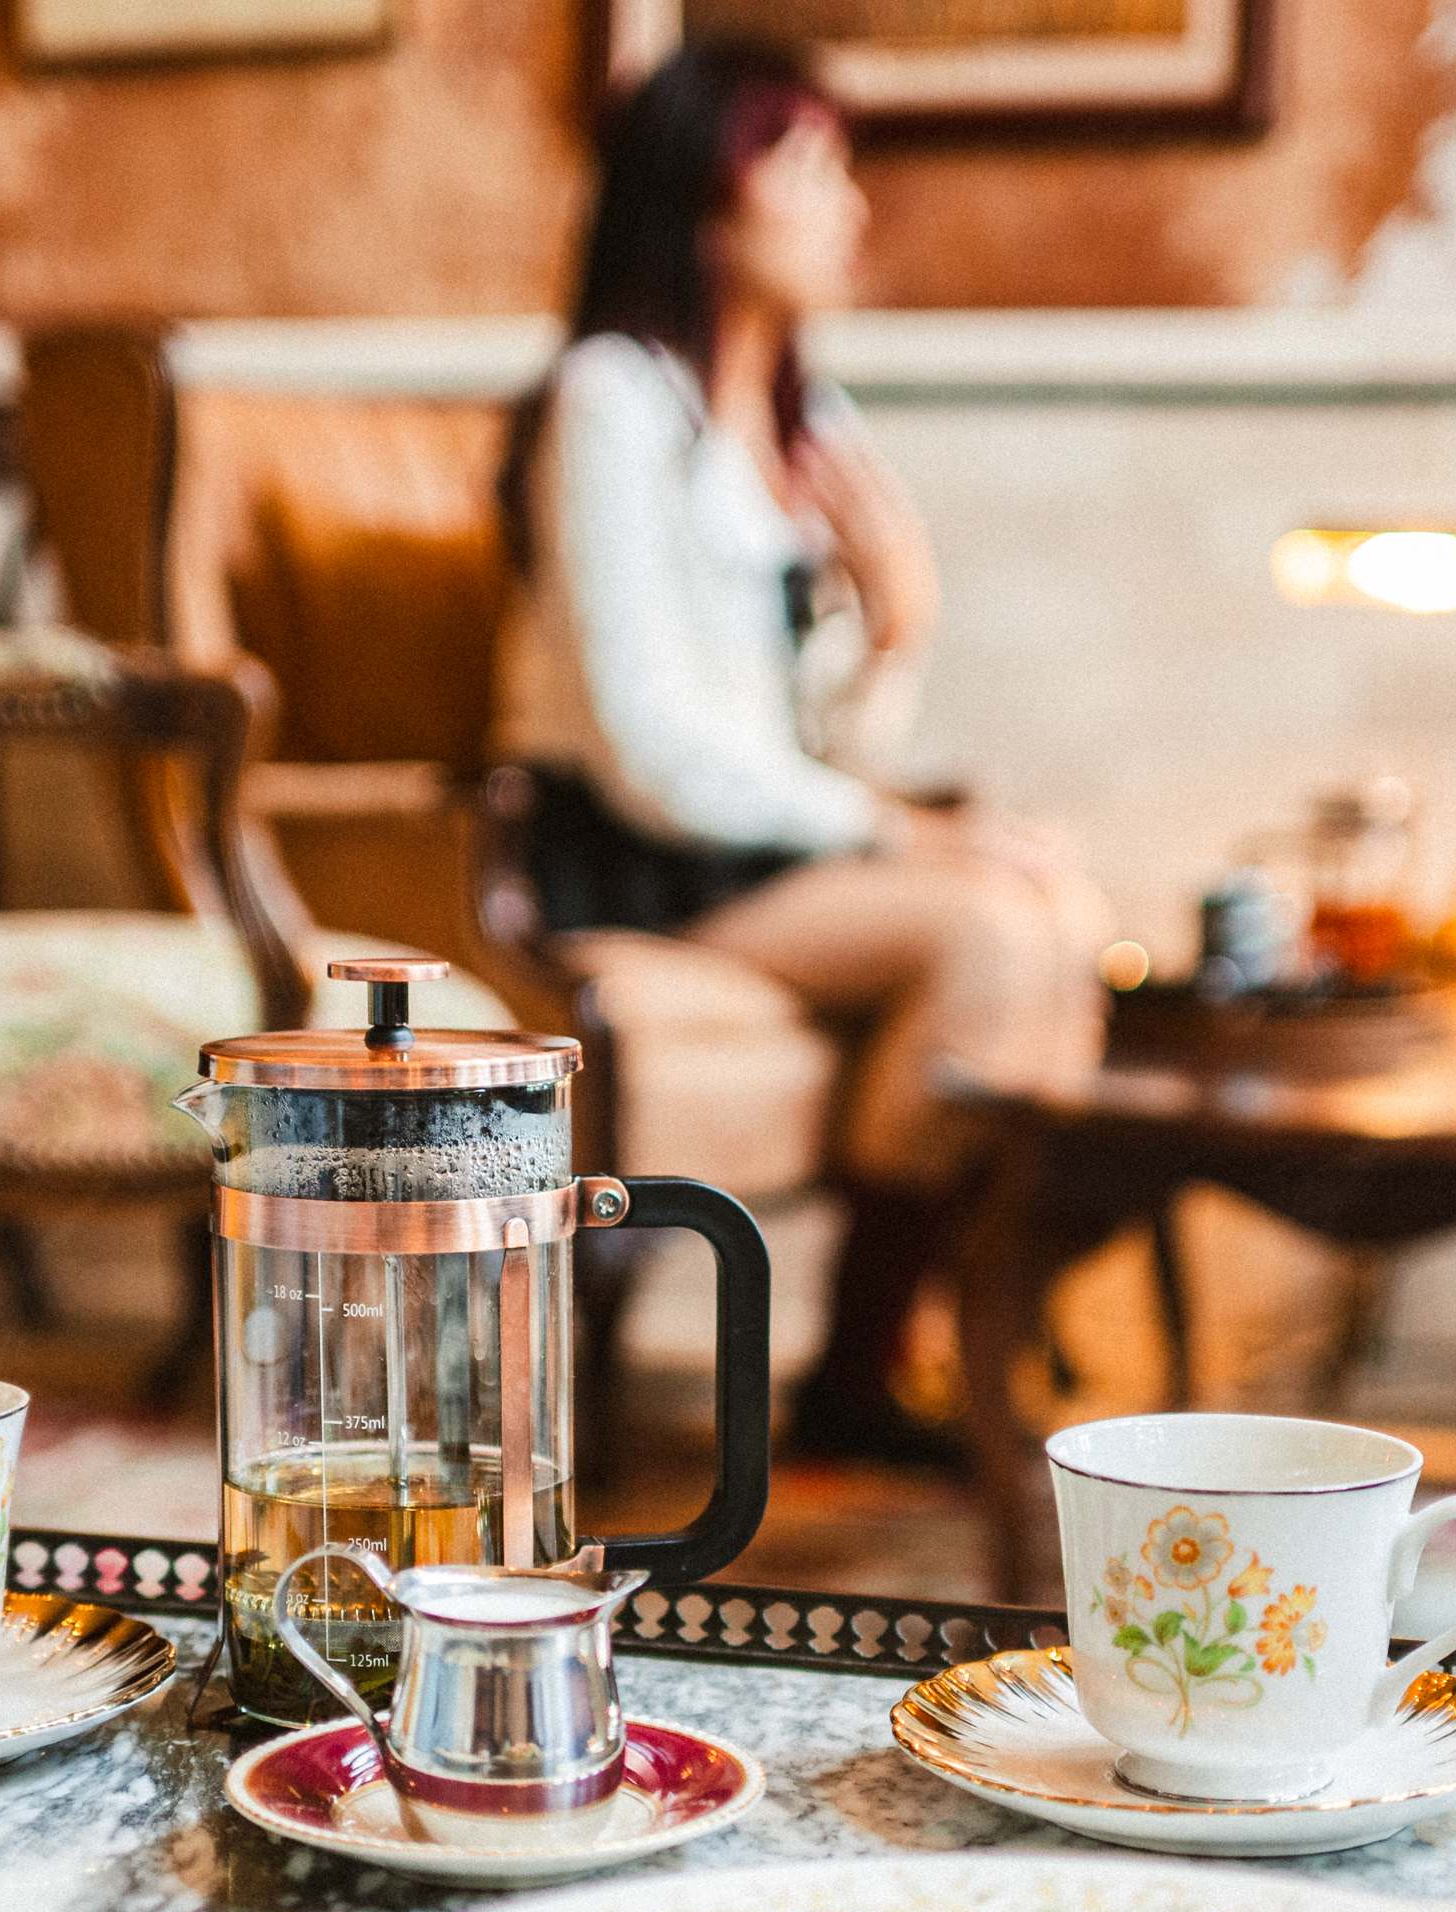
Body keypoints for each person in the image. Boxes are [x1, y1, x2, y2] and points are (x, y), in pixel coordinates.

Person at [494, 39, 1113, 1469]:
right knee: (984, 931)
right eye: (811, 165)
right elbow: (653, 750)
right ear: (705, 192)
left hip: (751, 845)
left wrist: (896, 626)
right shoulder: (610, 402)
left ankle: (914, 1342)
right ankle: (874, 1353)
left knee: (1059, 905)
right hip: (628, 851)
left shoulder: (804, 428)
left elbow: (813, 741)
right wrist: (901, 835)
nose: (851, 205)